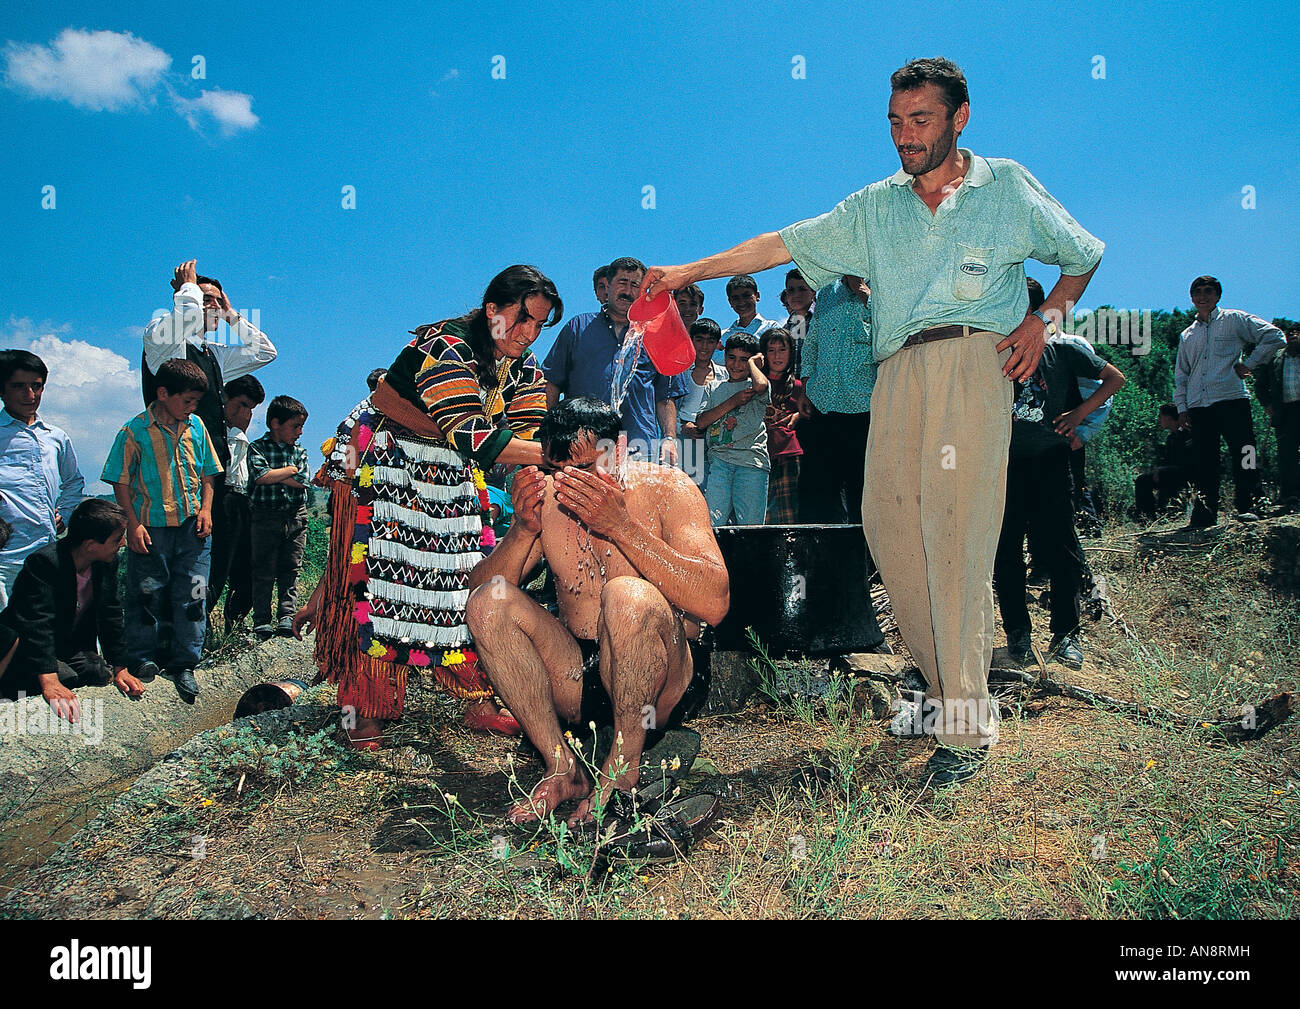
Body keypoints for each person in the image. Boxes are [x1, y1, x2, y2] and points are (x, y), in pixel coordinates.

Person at [645, 56, 1104, 785]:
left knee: (955, 535)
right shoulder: (875, 206)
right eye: (895, 121)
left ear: (960, 118)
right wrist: (681, 275)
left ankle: (966, 723)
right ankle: (934, 678)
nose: (905, 135)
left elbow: (1083, 255)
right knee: (891, 536)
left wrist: (1043, 321)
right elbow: (780, 244)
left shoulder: (1007, 186)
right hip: (894, 376)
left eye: (921, 119)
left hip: (972, 363)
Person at [293, 265, 558, 747]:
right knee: (379, 584)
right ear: (491, 309)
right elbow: (471, 433)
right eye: (522, 320)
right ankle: (365, 707)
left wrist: (537, 492)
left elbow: (525, 437)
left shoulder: (526, 370)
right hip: (390, 462)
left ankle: (478, 697)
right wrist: (559, 457)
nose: (528, 333)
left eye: (539, 324)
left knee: (462, 580)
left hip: (453, 471)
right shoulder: (446, 344)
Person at [465, 396, 729, 824]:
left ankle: (622, 771)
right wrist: (522, 531)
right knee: (489, 602)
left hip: (664, 680)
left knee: (625, 595)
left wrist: (622, 527)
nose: (569, 484)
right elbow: (478, 593)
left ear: (619, 449)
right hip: (582, 680)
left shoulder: (669, 488)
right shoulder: (551, 497)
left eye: (584, 470)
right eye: (556, 471)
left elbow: (716, 603)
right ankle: (563, 767)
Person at [995, 326, 1125, 669]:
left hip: (1052, 460)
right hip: (1004, 464)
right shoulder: (993, 350)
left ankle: (1066, 635)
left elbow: (1115, 379)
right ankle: (1017, 635)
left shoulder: (1064, 350)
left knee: (1062, 549)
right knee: (1006, 550)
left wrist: (1081, 416)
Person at [102, 358, 221, 701]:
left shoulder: (196, 427)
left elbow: (209, 475)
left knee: (194, 593)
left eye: (196, 401)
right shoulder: (133, 431)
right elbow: (120, 482)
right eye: (187, 400)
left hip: (193, 531)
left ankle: (185, 663)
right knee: (146, 594)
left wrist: (207, 510)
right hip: (151, 530)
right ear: (163, 393)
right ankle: (142, 660)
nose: (192, 407)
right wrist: (133, 525)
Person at [0, 500, 145, 720]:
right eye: (117, 539)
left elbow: (110, 613)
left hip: (64, 644)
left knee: (96, 672)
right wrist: (49, 680)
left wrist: (120, 667)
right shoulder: (44, 563)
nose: (122, 543)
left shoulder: (104, 563)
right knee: (65, 678)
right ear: (90, 545)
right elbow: (37, 624)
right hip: (24, 646)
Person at [543, 257, 685, 464]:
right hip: (581, 446)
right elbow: (552, 384)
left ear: (643, 291)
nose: (627, 290)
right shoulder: (578, 327)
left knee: (636, 498)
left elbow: (665, 396)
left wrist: (670, 438)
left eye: (635, 284)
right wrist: (549, 434)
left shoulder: (657, 335)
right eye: (622, 282)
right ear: (608, 287)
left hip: (639, 446)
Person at [1173, 275, 1284, 527]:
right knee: (1204, 461)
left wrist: (1250, 364)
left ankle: (1253, 504)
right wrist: (1182, 408)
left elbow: (1275, 336)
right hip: (1199, 405)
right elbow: (1182, 374)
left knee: (1245, 452)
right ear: (1191, 298)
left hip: (1231, 398)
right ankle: (1204, 513)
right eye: (1198, 292)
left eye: (1208, 291)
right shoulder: (1187, 335)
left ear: (1217, 295)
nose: (1203, 296)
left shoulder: (1234, 320)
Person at [0, 350, 84, 608]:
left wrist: (66, 514)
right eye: (18, 386)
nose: (30, 395)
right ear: (2, 390)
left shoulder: (55, 437)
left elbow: (74, 481)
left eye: (36, 386)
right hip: (4, 559)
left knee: (46, 633)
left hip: (46, 551)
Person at [796, 276, 875, 525]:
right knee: (817, 495)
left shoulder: (883, 283)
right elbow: (813, 341)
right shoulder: (828, 290)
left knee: (863, 494)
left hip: (864, 406)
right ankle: (823, 562)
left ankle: (867, 562)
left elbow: (892, 332)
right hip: (822, 404)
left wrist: (864, 293)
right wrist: (806, 385)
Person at [248, 396, 311, 639]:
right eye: (295, 426)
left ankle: (287, 615)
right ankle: (261, 619)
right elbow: (260, 476)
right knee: (263, 568)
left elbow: (302, 481)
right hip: (265, 516)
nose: (300, 432)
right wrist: (290, 471)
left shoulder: (300, 451)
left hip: (295, 516)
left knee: (291, 568)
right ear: (275, 423)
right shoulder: (257, 448)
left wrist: (276, 474)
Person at [207, 374, 264, 632]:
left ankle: (236, 623)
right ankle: (198, 626)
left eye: (250, 409)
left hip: (244, 503)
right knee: (217, 568)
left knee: (249, 568)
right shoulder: (208, 431)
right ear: (224, 399)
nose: (245, 413)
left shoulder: (243, 439)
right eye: (240, 405)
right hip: (221, 502)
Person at [695, 334, 770, 526]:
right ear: (724, 356)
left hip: (751, 463)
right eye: (731, 358)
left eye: (744, 360)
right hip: (719, 462)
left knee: (751, 525)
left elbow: (761, 385)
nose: (737, 364)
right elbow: (702, 421)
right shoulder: (713, 387)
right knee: (713, 523)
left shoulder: (756, 386)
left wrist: (754, 364)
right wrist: (733, 401)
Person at [759, 328, 806, 523]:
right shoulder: (756, 383)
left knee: (788, 514)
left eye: (782, 350)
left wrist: (798, 415)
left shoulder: (798, 386)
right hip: (760, 456)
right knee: (763, 514)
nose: (777, 356)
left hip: (789, 454)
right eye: (771, 350)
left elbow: (808, 413)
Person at [1255, 323, 1300, 514]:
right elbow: (1260, 386)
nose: (1294, 335)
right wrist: (1268, 405)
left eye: (1298, 332)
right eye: (1290, 333)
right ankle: (1291, 496)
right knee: (1286, 455)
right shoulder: (1275, 359)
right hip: (1285, 412)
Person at [676, 318, 727, 485]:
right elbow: (667, 406)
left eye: (710, 341)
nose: (704, 346)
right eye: (699, 340)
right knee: (688, 488)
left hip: (717, 440)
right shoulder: (679, 372)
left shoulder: (725, 374)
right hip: (685, 438)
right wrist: (682, 427)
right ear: (691, 340)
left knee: (716, 490)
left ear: (718, 344)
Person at [1134, 405, 1196, 520]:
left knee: (1165, 475)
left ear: (1168, 417)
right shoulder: (1171, 438)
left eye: (1160, 416)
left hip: (1189, 473)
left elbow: (1188, 461)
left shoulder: (1187, 434)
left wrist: (1162, 470)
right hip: (1173, 472)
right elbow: (1168, 460)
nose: (1159, 419)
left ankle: (1167, 512)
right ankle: (1147, 517)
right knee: (1142, 480)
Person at [720, 275, 781, 346]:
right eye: (736, 298)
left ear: (757, 296)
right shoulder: (722, 337)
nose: (741, 302)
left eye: (746, 296)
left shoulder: (771, 328)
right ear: (730, 302)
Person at [779, 269, 816, 366]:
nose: (796, 295)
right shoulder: (786, 329)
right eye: (791, 290)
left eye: (802, 289)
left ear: (813, 292)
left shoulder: (823, 319)